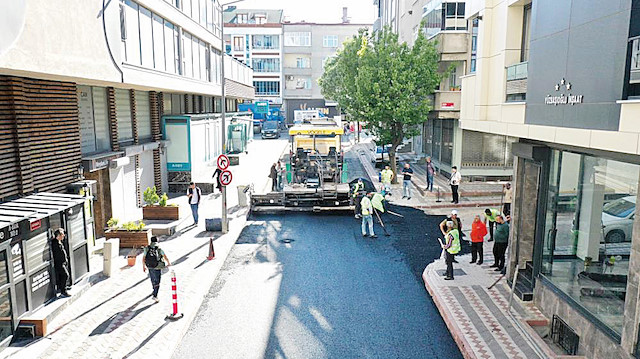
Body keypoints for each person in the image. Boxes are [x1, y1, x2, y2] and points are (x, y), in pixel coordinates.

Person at [143, 236, 172, 302]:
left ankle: (154, 290)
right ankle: (155, 295)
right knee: (157, 281)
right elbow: (165, 257)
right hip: (157, 266)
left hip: (149, 266)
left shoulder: (147, 248)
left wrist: (144, 266)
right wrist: (168, 263)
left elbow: (143, 258)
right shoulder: (159, 249)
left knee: (152, 279)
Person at [51, 228, 71, 297]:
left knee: (62, 276)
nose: (63, 236)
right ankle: (63, 291)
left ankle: (63, 287)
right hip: (59, 263)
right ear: (58, 235)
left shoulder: (59, 241)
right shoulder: (55, 243)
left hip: (63, 262)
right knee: (65, 275)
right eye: (62, 235)